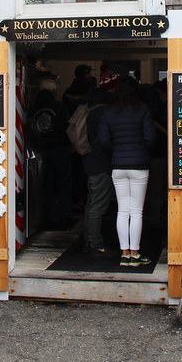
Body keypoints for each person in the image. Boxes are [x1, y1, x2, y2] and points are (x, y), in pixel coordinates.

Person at [95, 76, 156, 266]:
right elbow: (151, 137)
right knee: (136, 211)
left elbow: (103, 140)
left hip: (118, 165)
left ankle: (124, 254)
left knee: (123, 210)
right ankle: (135, 254)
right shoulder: (143, 110)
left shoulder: (108, 112)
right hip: (139, 164)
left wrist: (117, 150)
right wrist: (141, 149)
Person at [69, 87, 113, 255]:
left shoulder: (88, 110)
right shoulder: (102, 113)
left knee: (92, 203)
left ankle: (88, 240)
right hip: (100, 164)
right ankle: (95, 244)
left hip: (89, 162)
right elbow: (104, 141)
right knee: (98, 206)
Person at [28, 77, 72, 231]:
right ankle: (64, 216)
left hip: (40, 150)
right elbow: (68, 127)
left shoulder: (33, 106)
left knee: (46, 184)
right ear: (53, 90)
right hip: (60, 149)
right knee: (64, 183)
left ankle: (47, 216)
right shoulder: (59, 106)